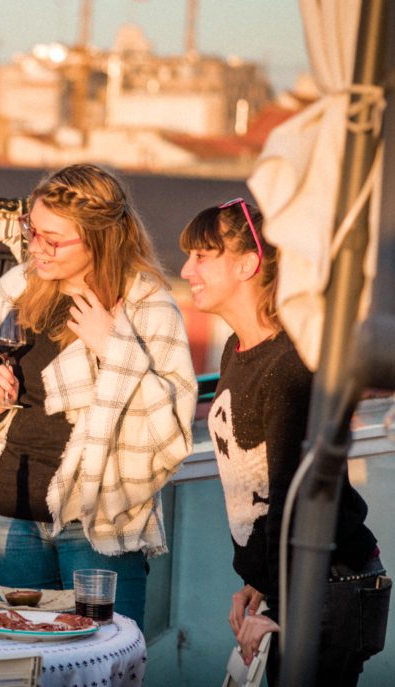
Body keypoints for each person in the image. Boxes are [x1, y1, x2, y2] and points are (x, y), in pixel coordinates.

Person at [0, 164, 197, 628]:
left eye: (52, 239)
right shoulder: (15, 290)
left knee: (103, 662)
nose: (35, 246)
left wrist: (114, 347)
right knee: (22, 661)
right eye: (31, 230)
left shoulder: (149, 308)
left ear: (100, 238)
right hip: (8, 515)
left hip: (99, 522)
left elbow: (172, 434)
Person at [180, 199, 389, 684]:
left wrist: (282, 603)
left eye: (202, 256)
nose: (187, 268)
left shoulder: (290, 366)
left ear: (247, 264)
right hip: (293, 586)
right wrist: (257, 580)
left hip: (326, 585)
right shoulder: (238, 349)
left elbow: (293, 498)